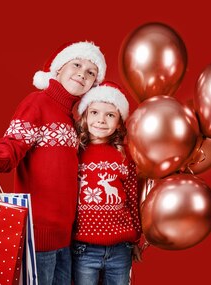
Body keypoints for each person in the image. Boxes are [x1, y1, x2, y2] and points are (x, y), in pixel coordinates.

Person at [0, 41, 107, 285]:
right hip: (38, 235)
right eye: (77, 65)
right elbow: (14, 143)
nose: (82, 74)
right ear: (58, 69)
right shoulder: (37, 103)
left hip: (65, 237)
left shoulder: (71, 119)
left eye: (90, 72)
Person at [72, 81, 143, 285]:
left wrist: (136, 238)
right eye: (94, 113)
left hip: (121, 248)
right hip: (84, 248)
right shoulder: (74, 152)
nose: (101, 120)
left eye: (110, 115)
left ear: (120, 121)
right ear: (84, 115)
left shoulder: (125, 154)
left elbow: (131, 197)